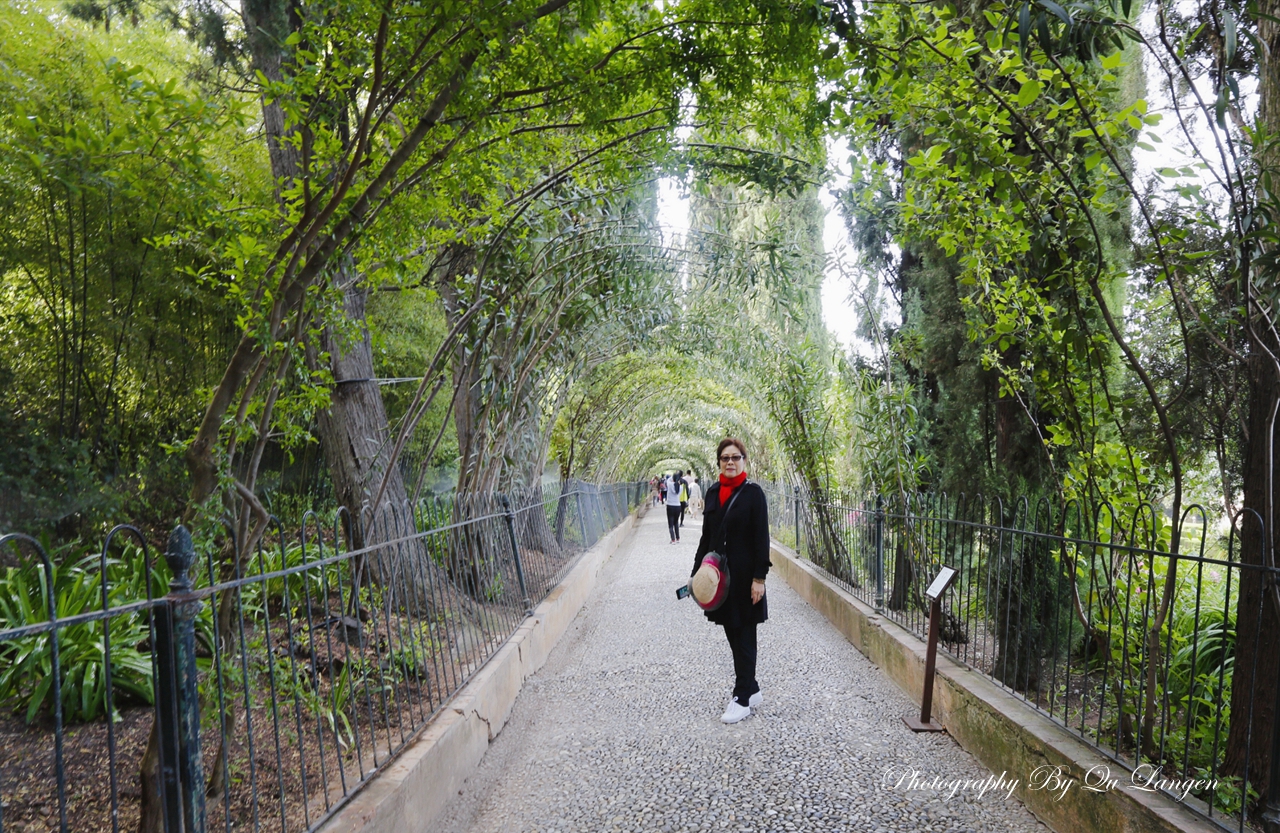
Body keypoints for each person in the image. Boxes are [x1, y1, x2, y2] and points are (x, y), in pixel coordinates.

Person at [691, 438, 770, 723]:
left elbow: (762, 539)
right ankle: (752, 687)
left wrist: (759, 578)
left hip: (747, 576)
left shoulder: (754, 495)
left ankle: (742, 698)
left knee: (745, 635)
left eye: (736, 457)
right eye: (725, 458)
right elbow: (706, 537)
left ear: (744, 461)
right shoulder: (713, 492)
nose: (730, 462)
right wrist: (696, 573)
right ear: (719, 463)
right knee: (731, 633)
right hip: (720, 578)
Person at [665, 471, 683, 543]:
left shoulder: (669, 484)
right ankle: (678, 538)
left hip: (670, 506)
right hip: (678, 506)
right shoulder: (680, 487)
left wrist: (674, 477)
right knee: (676, 522)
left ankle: (673, 539)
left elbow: (668, 479)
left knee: (670, 524)